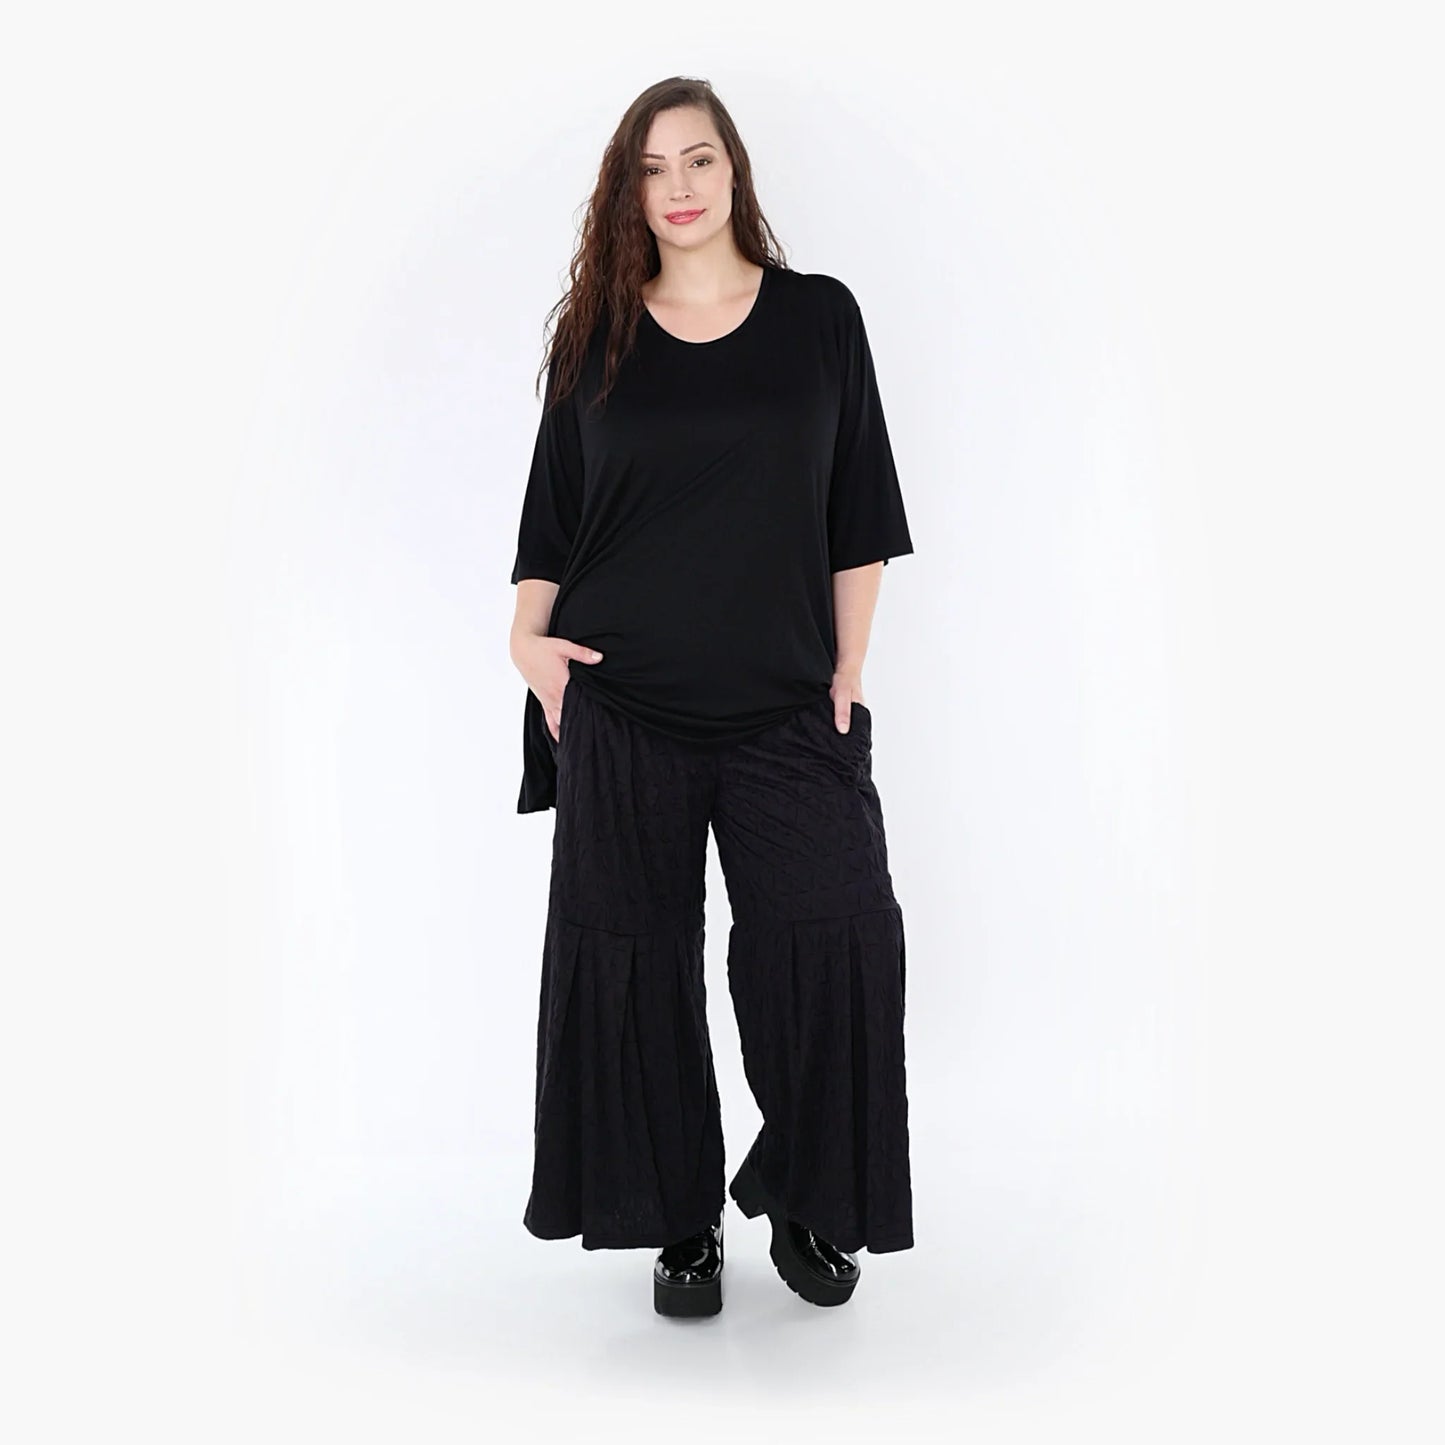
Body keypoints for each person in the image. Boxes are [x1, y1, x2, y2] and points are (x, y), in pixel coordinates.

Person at [508, 77, 915, 1317]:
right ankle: (678, 1215)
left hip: (787, 702)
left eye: (696, 160)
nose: (676, 187)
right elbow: (551, 520)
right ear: (626, 195)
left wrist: (847, 670)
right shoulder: (596, 335)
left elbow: (857, 508)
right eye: (650, 169)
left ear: (733, 168)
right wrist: (527, 643)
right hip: (620, 701)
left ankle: (805, 1194)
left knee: (832, 941)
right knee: (633, 962)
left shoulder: (818, 318)